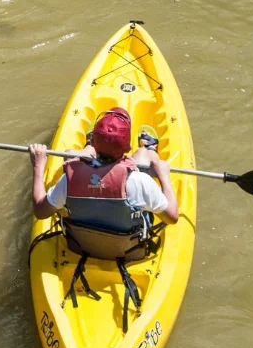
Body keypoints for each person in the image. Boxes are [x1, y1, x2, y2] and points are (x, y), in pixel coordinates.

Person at [29, 106, 178, 262]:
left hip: (82, 248)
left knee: (71, 154)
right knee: (142, 157)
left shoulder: (70, 179)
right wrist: (164, 177)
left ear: (94, 141)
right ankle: (148, 149)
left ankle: (88, 149)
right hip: (128, 252)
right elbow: (172, 217)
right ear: (128, 148)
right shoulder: (140, 182)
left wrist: (38, 167)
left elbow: (40, 211)